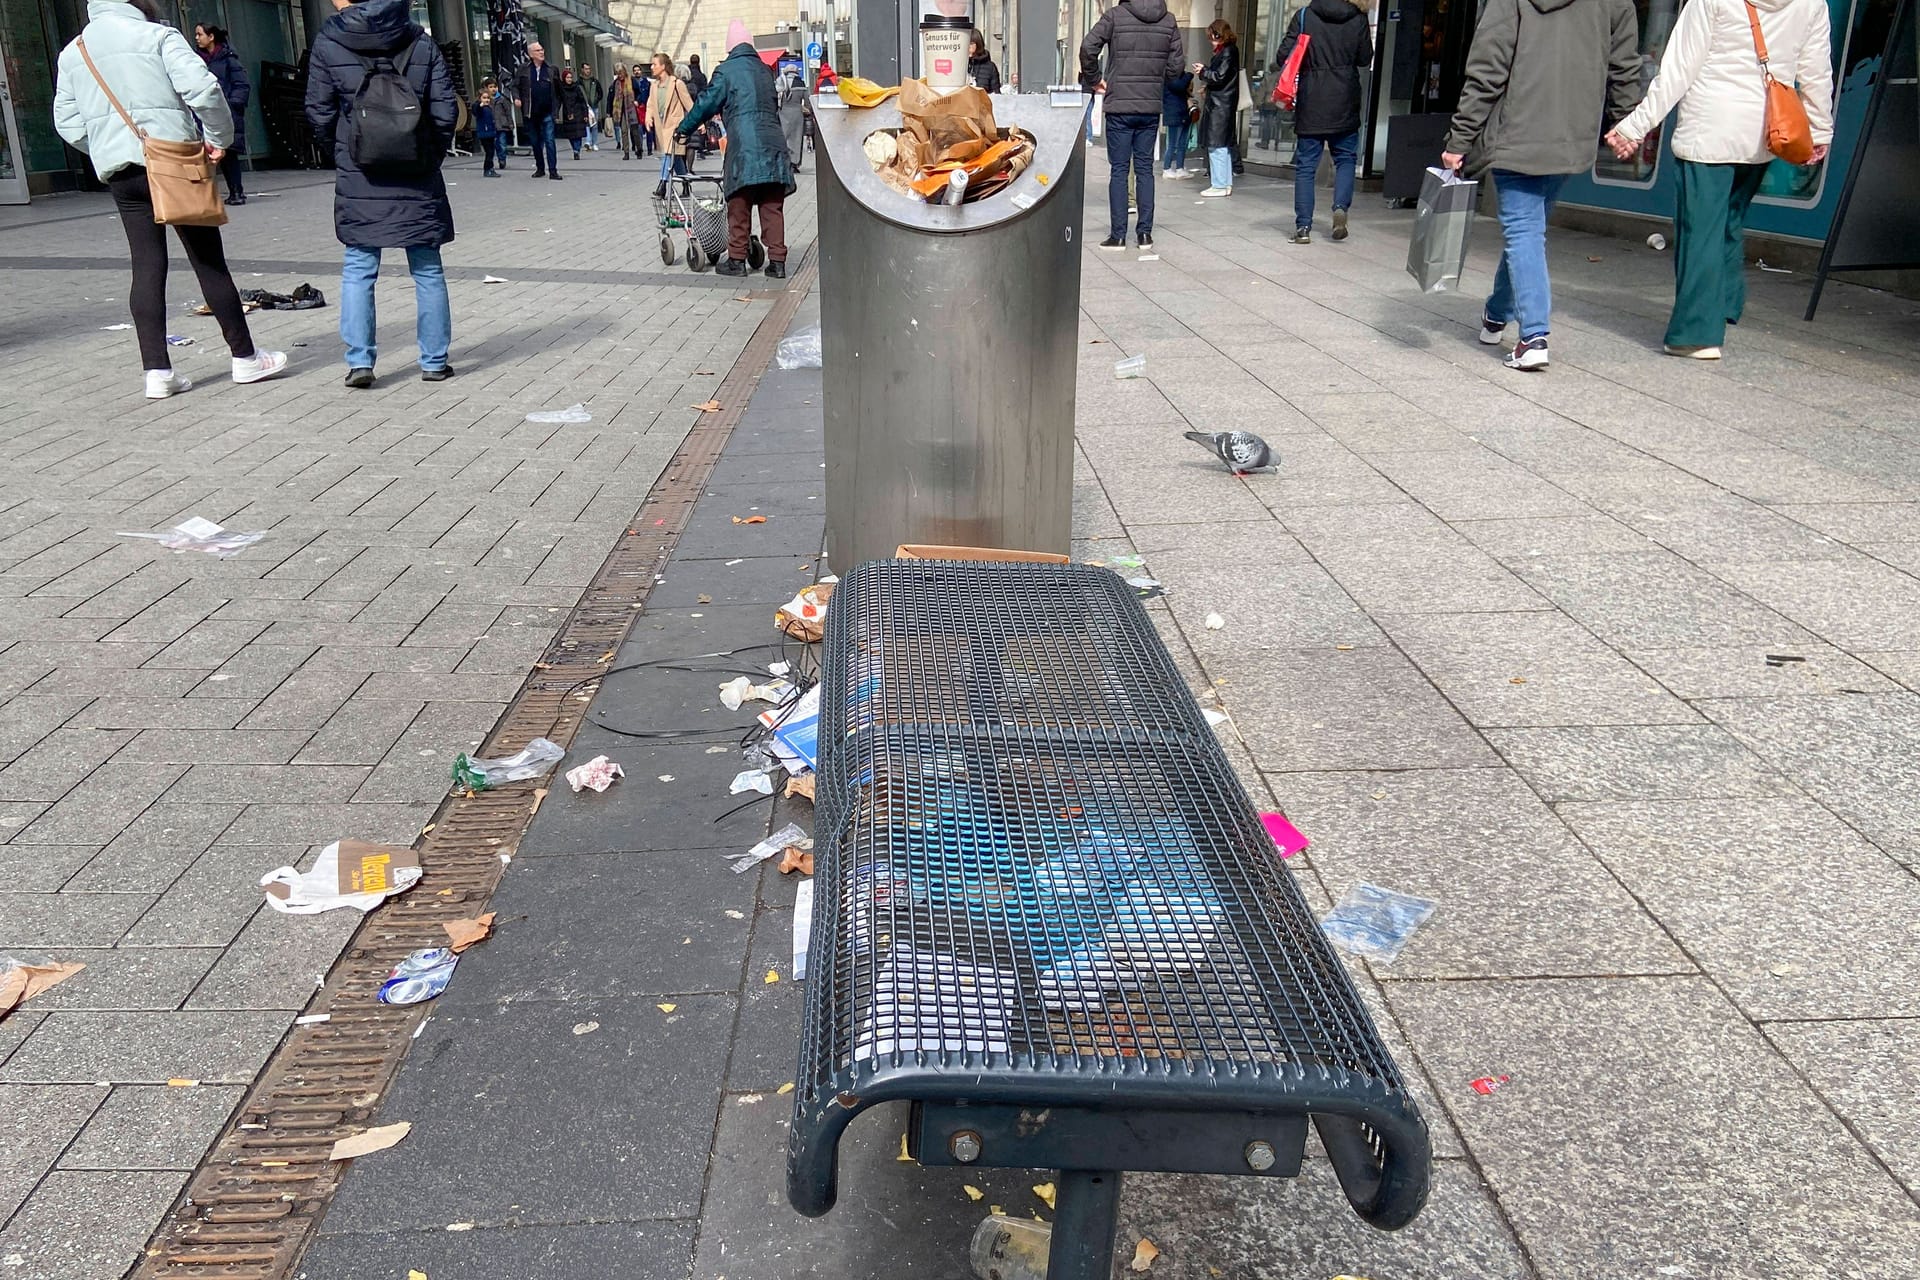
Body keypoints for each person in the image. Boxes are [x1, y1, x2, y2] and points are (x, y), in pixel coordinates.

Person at [53, 0, 288, 399]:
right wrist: (218, 140)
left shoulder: (75, 50)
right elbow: (204, 90)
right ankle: (245, 358)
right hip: (173, 160)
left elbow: (67, 122)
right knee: (207, 259)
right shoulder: (160, 36)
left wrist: (107, 147)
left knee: (146, 265)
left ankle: (158, 371)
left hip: (122, 172)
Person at [1604, 0, 1832, 359]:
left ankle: (1696, 334)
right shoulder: (1812, 3)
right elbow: (1816, 70)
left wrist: (1635, 126)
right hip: (1766, 132)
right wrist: (1819, 129)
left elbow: (1679, 68)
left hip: (1711, 131)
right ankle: (1725, 303)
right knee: (1729, 218)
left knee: (1701, 230)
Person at [1441, 0, 1641, 371]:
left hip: (1517, 132)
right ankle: (1496, 313)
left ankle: (1533, 336)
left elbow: (1488, 70)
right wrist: (1627, 123)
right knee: (1526, 231)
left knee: (1524, 231)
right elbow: (1625, 66)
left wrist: (1459, 140)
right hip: (1571, 135)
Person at [305, 0, 457, 387]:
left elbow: (319, 111)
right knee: (427, 268)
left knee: (359, 267)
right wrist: (426, 154)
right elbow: (445, 112)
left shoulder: (329, 41)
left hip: (361, 170)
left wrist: (343, 151)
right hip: (416, 170)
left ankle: (360, 363)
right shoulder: (420, 41)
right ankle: (434, 362)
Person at [676, 20, 794, 279]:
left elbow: (706, 104)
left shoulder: (726, 71)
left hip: (744, 147)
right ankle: (777, 263)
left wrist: (684, 128)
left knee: (739, 204)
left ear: (730, 47)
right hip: (773, 144)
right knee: (772, 206)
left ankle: (737, 260)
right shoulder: (765, 70)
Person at [1079, 0, 1182, 251]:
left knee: (1119, 170)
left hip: (1120, 106)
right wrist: (1159, 80)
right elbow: (1176, 67)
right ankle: (1145, 234)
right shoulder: (1168, 20)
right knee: (1145, 170)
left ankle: (1118, 235)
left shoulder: (1115, 16)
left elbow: (1087, 47)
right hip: (1149, 107)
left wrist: (1094, 80)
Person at [1275, 0, 1371, 243]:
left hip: (1312, 99)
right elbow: (1364, 58)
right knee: (1346, 159)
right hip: (1345, 98)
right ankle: (1340, 208)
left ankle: (1303, 227)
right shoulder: (1358, 17)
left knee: (1307, 165)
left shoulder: (1306, 15)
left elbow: (1282, 56)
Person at [192, 22, 250, 204]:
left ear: (211, 37)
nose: (196, 38)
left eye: (200, 34)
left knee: (228, 153)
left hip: (227, 112)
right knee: (205, 154)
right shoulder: (196, 60)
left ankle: (236, 192)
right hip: (204, 112)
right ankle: (209, 196)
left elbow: (242, 85)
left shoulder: (228, 59)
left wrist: (231, 105)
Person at [1195, 18, 1240, 197]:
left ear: (1217, 34)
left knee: (1217, 145)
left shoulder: (1227, 52)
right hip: (1224, 103)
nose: (1211, 40)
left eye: (1212, 37)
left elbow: (1219, 76)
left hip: (1220, 105)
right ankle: (1225, 183)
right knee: (1223, 146)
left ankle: (1220, 184)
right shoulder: (1229, 51)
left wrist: (1203, 71)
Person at [514, 41, 560, 178]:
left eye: (542, 49)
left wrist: (557, 110)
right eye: (538, 50)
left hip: (547, 112)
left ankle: (553, 171)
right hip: (530, 112)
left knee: (550, 141)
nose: (541, 52)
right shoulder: (524, 69)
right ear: (531, 54)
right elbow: (515, 86)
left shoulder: (552, 69)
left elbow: (558, 91)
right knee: (535, 142)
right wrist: (517, 98)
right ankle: (540, 168)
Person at [650, 51, 692, 197]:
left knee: (667, 154)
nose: (651, 67)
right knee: (676, 158)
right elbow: (650, 104)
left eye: (654, 64)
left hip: (675, 126)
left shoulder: (676, 84)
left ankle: (663, 184)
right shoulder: (654, 85)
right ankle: (686, 183)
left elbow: (688, 103)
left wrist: (699, 123)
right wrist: (648, 117)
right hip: (661, 127)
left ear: (663, 66)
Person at [1161, 64, 1193, 178]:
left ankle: (1180, 168)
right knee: (1173, 143)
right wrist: (1189, 75)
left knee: (1182, 143)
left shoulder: (1178, 76)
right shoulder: (1169, 76)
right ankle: (1167, 168)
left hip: (1182, 112)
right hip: (1173, 113)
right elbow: (1178, 86)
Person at [557, 66, 589, 159]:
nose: (569, 79)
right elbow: (559, 101)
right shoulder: (562, 89)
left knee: (578, 134)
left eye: (571, 77)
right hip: (568, 113)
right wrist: (556, 113)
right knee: (571, 135)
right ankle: (574, 148)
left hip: (578, 112)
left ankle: (576, 150)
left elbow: (582, 101)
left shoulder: (576, 88)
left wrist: (585, 114)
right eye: (567, 77)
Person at [607, 65, 636, 158]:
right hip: (621, 110)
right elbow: (610, 98)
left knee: (635, 131)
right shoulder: (615, 83)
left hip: (632, 109)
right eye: (618, 73)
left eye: (621, 72)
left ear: (625, 71)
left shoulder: (632, 80)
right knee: (624, 130)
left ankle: (638, 148)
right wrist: (609, 111)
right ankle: (626, 152)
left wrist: (638, 101)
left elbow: (639, 93)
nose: (620, 75)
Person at [474, 83, 501, 175]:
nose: (487, 100)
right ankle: (487, 169)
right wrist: (480, 105)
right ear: (480, 98)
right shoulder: (480, 108)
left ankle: (490, 168)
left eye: (488, 98)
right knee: (489, 152)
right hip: (484, 133)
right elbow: (476, 110)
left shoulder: (489, 108)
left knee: (491, 152)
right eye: (484, 98)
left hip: (490, 133)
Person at [578, 63, 600, 149]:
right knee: (586, 123)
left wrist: (596, 99)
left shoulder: (594, 81)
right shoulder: (579, 82)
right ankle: (588, 141)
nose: (588, 70)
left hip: (594, 106)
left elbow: (600, 92)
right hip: (584, 107)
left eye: (589, 69)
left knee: (594, 125)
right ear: (582, 70)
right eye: (586, 69)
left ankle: (594, 143)